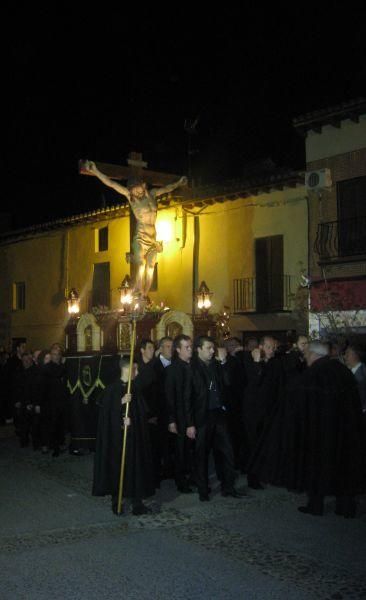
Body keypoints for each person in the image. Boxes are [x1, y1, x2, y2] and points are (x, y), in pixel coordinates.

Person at [84, 160, 187, 296]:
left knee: (151, 268)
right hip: (140, 237)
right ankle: (137, 292)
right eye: (132, 190)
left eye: (137, 189)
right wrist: (95, 171)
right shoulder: (131, 198)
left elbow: (167, 188)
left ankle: (144, 295)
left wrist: (179, 183)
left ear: (143, 186)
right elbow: (112, 184)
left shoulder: (153, 194)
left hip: (152, 239)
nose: (135, 193)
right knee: (141, 265)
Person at [293, 342, 365, 518]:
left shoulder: (314, 373)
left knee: (316, 468)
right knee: (343, 468)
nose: (306, 357)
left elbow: (305, 404)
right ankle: (345, 507)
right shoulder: (342, 370)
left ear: (314, 354)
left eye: (308, 353)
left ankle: (315, 505)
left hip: (320, 431)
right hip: (345, 429)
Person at [92, 357, 155, 516]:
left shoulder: (135, 388)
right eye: (136, 368)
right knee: (117, 468)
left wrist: (132, 418)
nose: (138, 372)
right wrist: (120, 403)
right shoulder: (111, 390)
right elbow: (104, 416)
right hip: (117, 440)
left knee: (136, 467)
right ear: (127, 369)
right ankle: (117, 501)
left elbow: (142, 412)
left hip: (134, 438)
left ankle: (137, 503)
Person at [187, 336, 246, 501]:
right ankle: (203, 490)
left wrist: (223, 362)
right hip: (201, 416)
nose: (213, 351)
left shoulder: (216, 365)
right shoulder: (191, 368)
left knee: (227, 451)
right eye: (209, 348)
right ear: (198, 349)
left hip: (218, 414)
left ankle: (228, 487)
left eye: (213, 348)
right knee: (202, 454)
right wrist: (190, 423)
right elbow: (187, 398)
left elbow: (227, 383)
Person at [165, 335, 194, 492]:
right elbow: (170, 396)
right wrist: (171, 420)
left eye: (191, 346)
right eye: (187, 347)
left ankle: (192, 477)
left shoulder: (193, 366)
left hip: (192, 415)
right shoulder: (172, 369)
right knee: (181, 450)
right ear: (178, 350)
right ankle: (181, 481)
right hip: (180, 416)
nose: (190, 350)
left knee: (191, 449)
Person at [42, 345, 69, 457]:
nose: (56, 356)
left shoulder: (63, 366)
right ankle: (54, 447)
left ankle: (59, 444)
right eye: (54, 354)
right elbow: (56, 375)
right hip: (50, 401)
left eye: (58, 354)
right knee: (52, 425)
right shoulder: (47, 367)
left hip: (61, 401)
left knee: (60, 425)